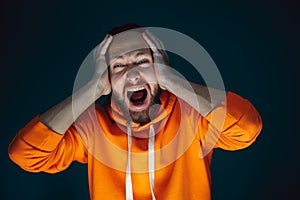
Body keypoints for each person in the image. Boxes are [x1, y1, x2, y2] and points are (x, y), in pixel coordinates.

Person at [8, 24, 262, 200]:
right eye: (118, 65)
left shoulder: (193, 116)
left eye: (142, 61)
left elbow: (247, 129)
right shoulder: (92, 126)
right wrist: (91, 90)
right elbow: (24, 154)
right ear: (106, 76)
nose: (132, 74)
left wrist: (172, 80)